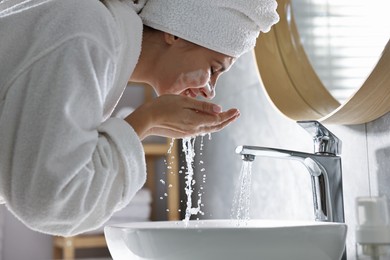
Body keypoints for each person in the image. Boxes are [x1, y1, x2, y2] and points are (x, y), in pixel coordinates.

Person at [0, 0, 279, 236]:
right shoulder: (87, 33)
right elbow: (50, 199)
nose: (209, 89)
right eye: (214, 68)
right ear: (177, 32)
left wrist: (151, 122)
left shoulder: (95, 32)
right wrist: (146, 120)